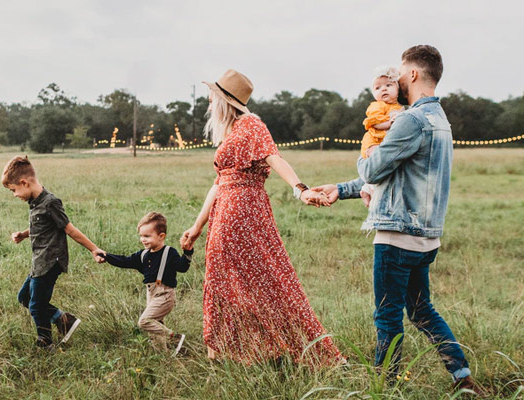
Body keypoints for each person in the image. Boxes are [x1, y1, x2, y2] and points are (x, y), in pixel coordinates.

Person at [312, 46, 485, 394]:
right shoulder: (440, 120)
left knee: (387, 316)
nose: (397, 80)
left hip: (397, 237)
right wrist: (342, 189)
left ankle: (385, 387)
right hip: (426, 238)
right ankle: (462, 377)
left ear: (415, 75)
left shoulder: (410, 119)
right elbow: (396, 175)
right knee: (422, 311)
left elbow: (375, 168)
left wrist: (368, 154)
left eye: (402, 74)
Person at [180, 69, 343, 365]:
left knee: (263, 279)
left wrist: (300, 189)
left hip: (242, 210)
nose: (208, 101)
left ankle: (271, 348)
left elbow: (274, 157)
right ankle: (229, 351)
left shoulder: (251, 124)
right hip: (226, 210)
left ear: (224, 100)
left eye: (212, 96)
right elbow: (218, 184)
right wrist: (196, 226)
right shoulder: (230, 131)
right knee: (225, 280)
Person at [1, 156, 104, 349]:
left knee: (36, 305)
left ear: (24, 182)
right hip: (38, 262)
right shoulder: (35, 202)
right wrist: (24, 234)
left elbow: (69, 229)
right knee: (24, 297)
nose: (14, 195)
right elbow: (42, 226)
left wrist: (94, 249)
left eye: (14, 190)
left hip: (50, 261)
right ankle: (63, 320)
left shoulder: (50, 202)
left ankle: (45, 342)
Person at [98, 212, 192, 355]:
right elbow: (125, 261)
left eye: (147, 236)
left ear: (161, 236)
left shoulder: (169, 252)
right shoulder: (143, 255)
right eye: (141, 236)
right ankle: (163, 356)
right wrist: (106, 256)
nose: (143, 239)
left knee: (145, 321)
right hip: (151, 294)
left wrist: (187, 252)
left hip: (165, 295)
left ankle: (174, 338)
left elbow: (183, 267)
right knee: (155, 328)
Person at [359, 66, 404, 207]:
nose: (383, 89)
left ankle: (367, 188)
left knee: (385, 165)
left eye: (388, 85)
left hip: (384, 141)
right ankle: (371, 189)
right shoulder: (377, 106)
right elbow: (374, 123)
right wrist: (388, 123)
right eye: (378, 88)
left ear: (397, 89)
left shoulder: (399, 107)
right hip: (374, 140)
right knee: (378, 161)